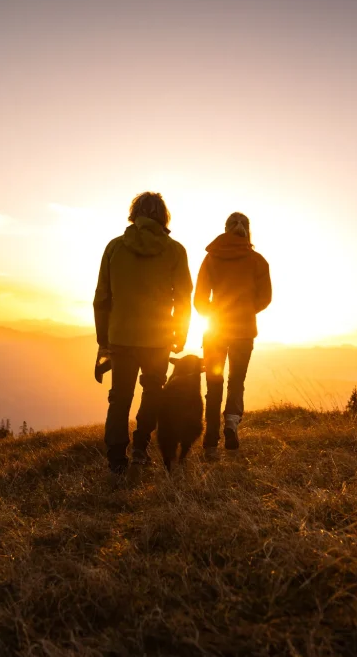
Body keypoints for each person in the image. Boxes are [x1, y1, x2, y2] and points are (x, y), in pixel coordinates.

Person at [93, 192, 193, 475]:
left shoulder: (114, 248)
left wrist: (103, 340)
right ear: (164, 217)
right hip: (157, 338)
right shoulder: (175, 251)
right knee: (153, 391)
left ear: (134, 214)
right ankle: (140, 447)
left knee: (120, 397)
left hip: (120, 337)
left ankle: (115, 460)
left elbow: (102, 297)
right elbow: (183, 297)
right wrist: (180, 332)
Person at [194, 212, 271, 458]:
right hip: (244, 332)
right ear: (247, 231)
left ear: (226, 229)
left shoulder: (211, 259)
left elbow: (199, 300)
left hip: (215, 330)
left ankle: (210, 443)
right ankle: (231, 424)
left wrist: (214, 314)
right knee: (236, 381)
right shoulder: (258, 261)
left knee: (213, 384)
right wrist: (247, 311)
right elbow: (265, 297)